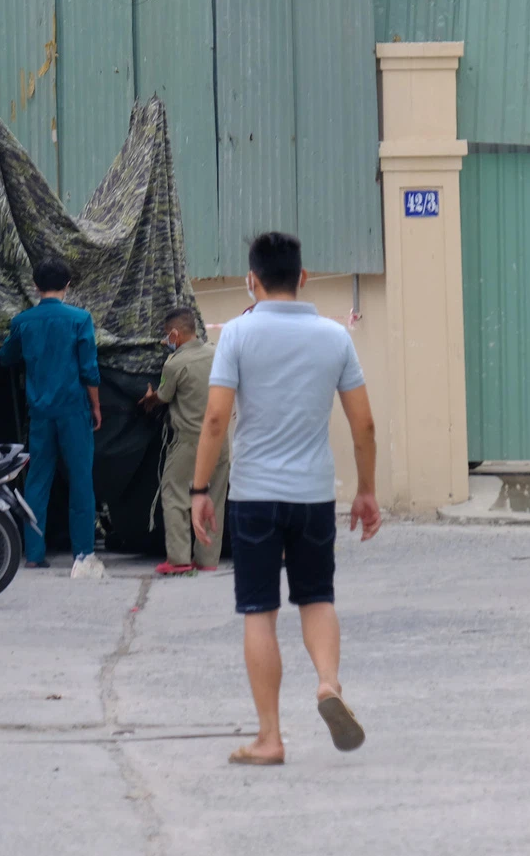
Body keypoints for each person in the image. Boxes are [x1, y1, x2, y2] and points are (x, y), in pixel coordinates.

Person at [193, 230, 381, 766]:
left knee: (259, 611)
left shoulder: (237, 336)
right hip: (314, 494)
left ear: (251, 281)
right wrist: (366, 490)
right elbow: (363, 424)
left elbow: (214, 419)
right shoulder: (334, 338)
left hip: (254, 496)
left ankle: (270, 738)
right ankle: (327, 683)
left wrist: (200, 489)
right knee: (317, 597)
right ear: (302, 277)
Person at [0, 258, 103, 578]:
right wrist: (95, 406)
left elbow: (6, 357)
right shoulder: (80, 319)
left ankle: (34, 552)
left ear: (35, 286)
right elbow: (89, 369)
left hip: (40, 411)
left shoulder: (23, 321)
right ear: (68, 285)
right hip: (74, 409)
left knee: (37, 480)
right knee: (81, 480)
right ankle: (83, 551)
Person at [142, 306, 226, 576]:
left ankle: (179, 559)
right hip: (221, 441)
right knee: (215, 498)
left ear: (176, 334)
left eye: (167, 336)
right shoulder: (218, 354)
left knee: (175, 495)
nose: (167, 341)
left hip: (189, 441)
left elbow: (163, 397)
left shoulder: (175, 363)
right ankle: (208, 558)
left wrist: (149, 399)